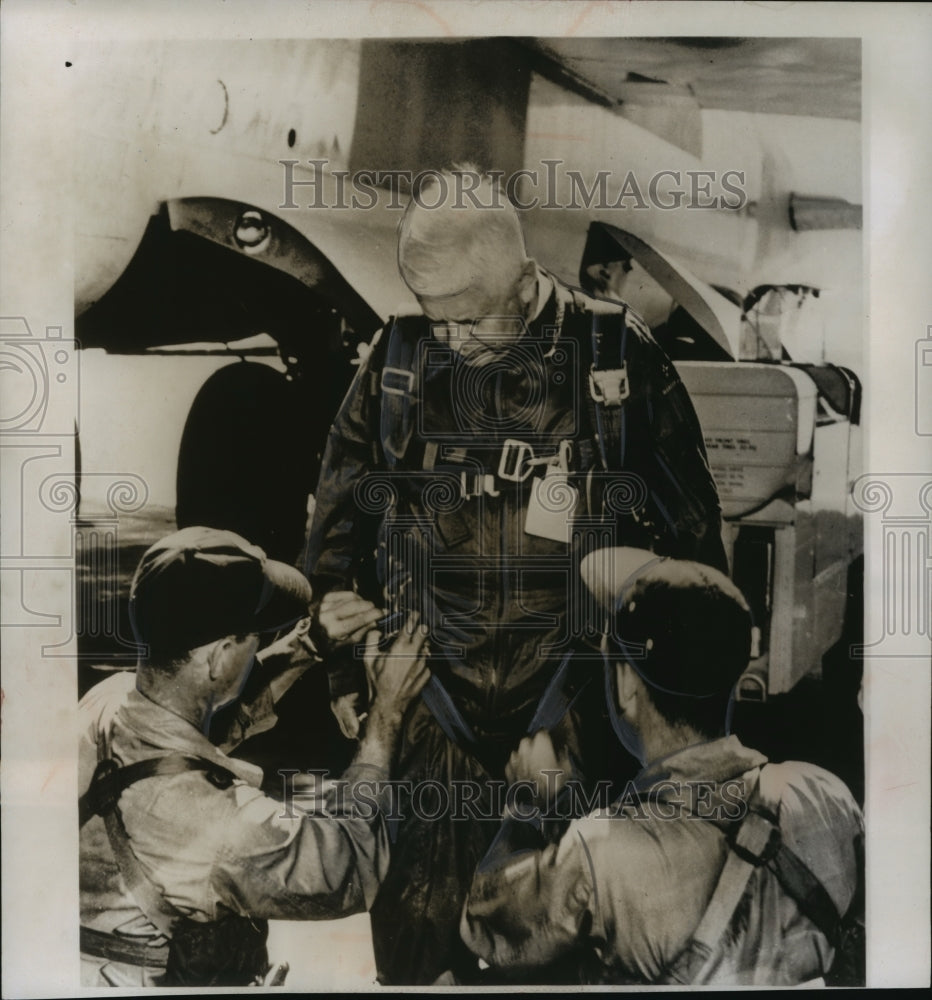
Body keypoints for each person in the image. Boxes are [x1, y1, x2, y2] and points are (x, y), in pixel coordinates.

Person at [305, 166, 727, 984]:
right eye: (436, 323)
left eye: (469, 320)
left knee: (570, 940)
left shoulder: (611, 357)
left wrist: (671, 715)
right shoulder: (397, 361)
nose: (451, 342)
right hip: (433, 708)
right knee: (419, 942)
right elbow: (335, 516)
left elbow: (694, 543)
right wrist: (335, 635)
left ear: (523, 281)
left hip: (575, 705)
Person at [461, 547, 864, 986]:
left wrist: (528, 805)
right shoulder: (824, 794)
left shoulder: (598, 854)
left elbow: (483, 928)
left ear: (627, 684)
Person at [79, 526, 430, 987]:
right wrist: (387, 712)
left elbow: (203, 725)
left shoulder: (107, 701)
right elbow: (350, 862)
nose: (262, 643)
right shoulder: (217, 822)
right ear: (220, 656)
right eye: (255, 637)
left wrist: (309, 644)